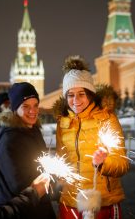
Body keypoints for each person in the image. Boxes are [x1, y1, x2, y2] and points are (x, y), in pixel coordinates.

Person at [54, 55, 129, 219]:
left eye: (81, 93)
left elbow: (122, 163)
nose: (76, 100)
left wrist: (104, 163)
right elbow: (61, 158)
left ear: (90, 94)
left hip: (102, 202)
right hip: (70, 202)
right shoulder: (63, 123)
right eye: (71, 95)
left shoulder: (106, 119)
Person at [0, 82, 56, 219]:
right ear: (15, 109)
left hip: (39, 206)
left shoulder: (34, 131)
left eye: (35, 105)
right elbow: (19, 186)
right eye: (26, 106)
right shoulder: (9, 141)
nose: (33, 111)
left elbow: (41, 165)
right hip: (19, 212)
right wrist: (55, 188)